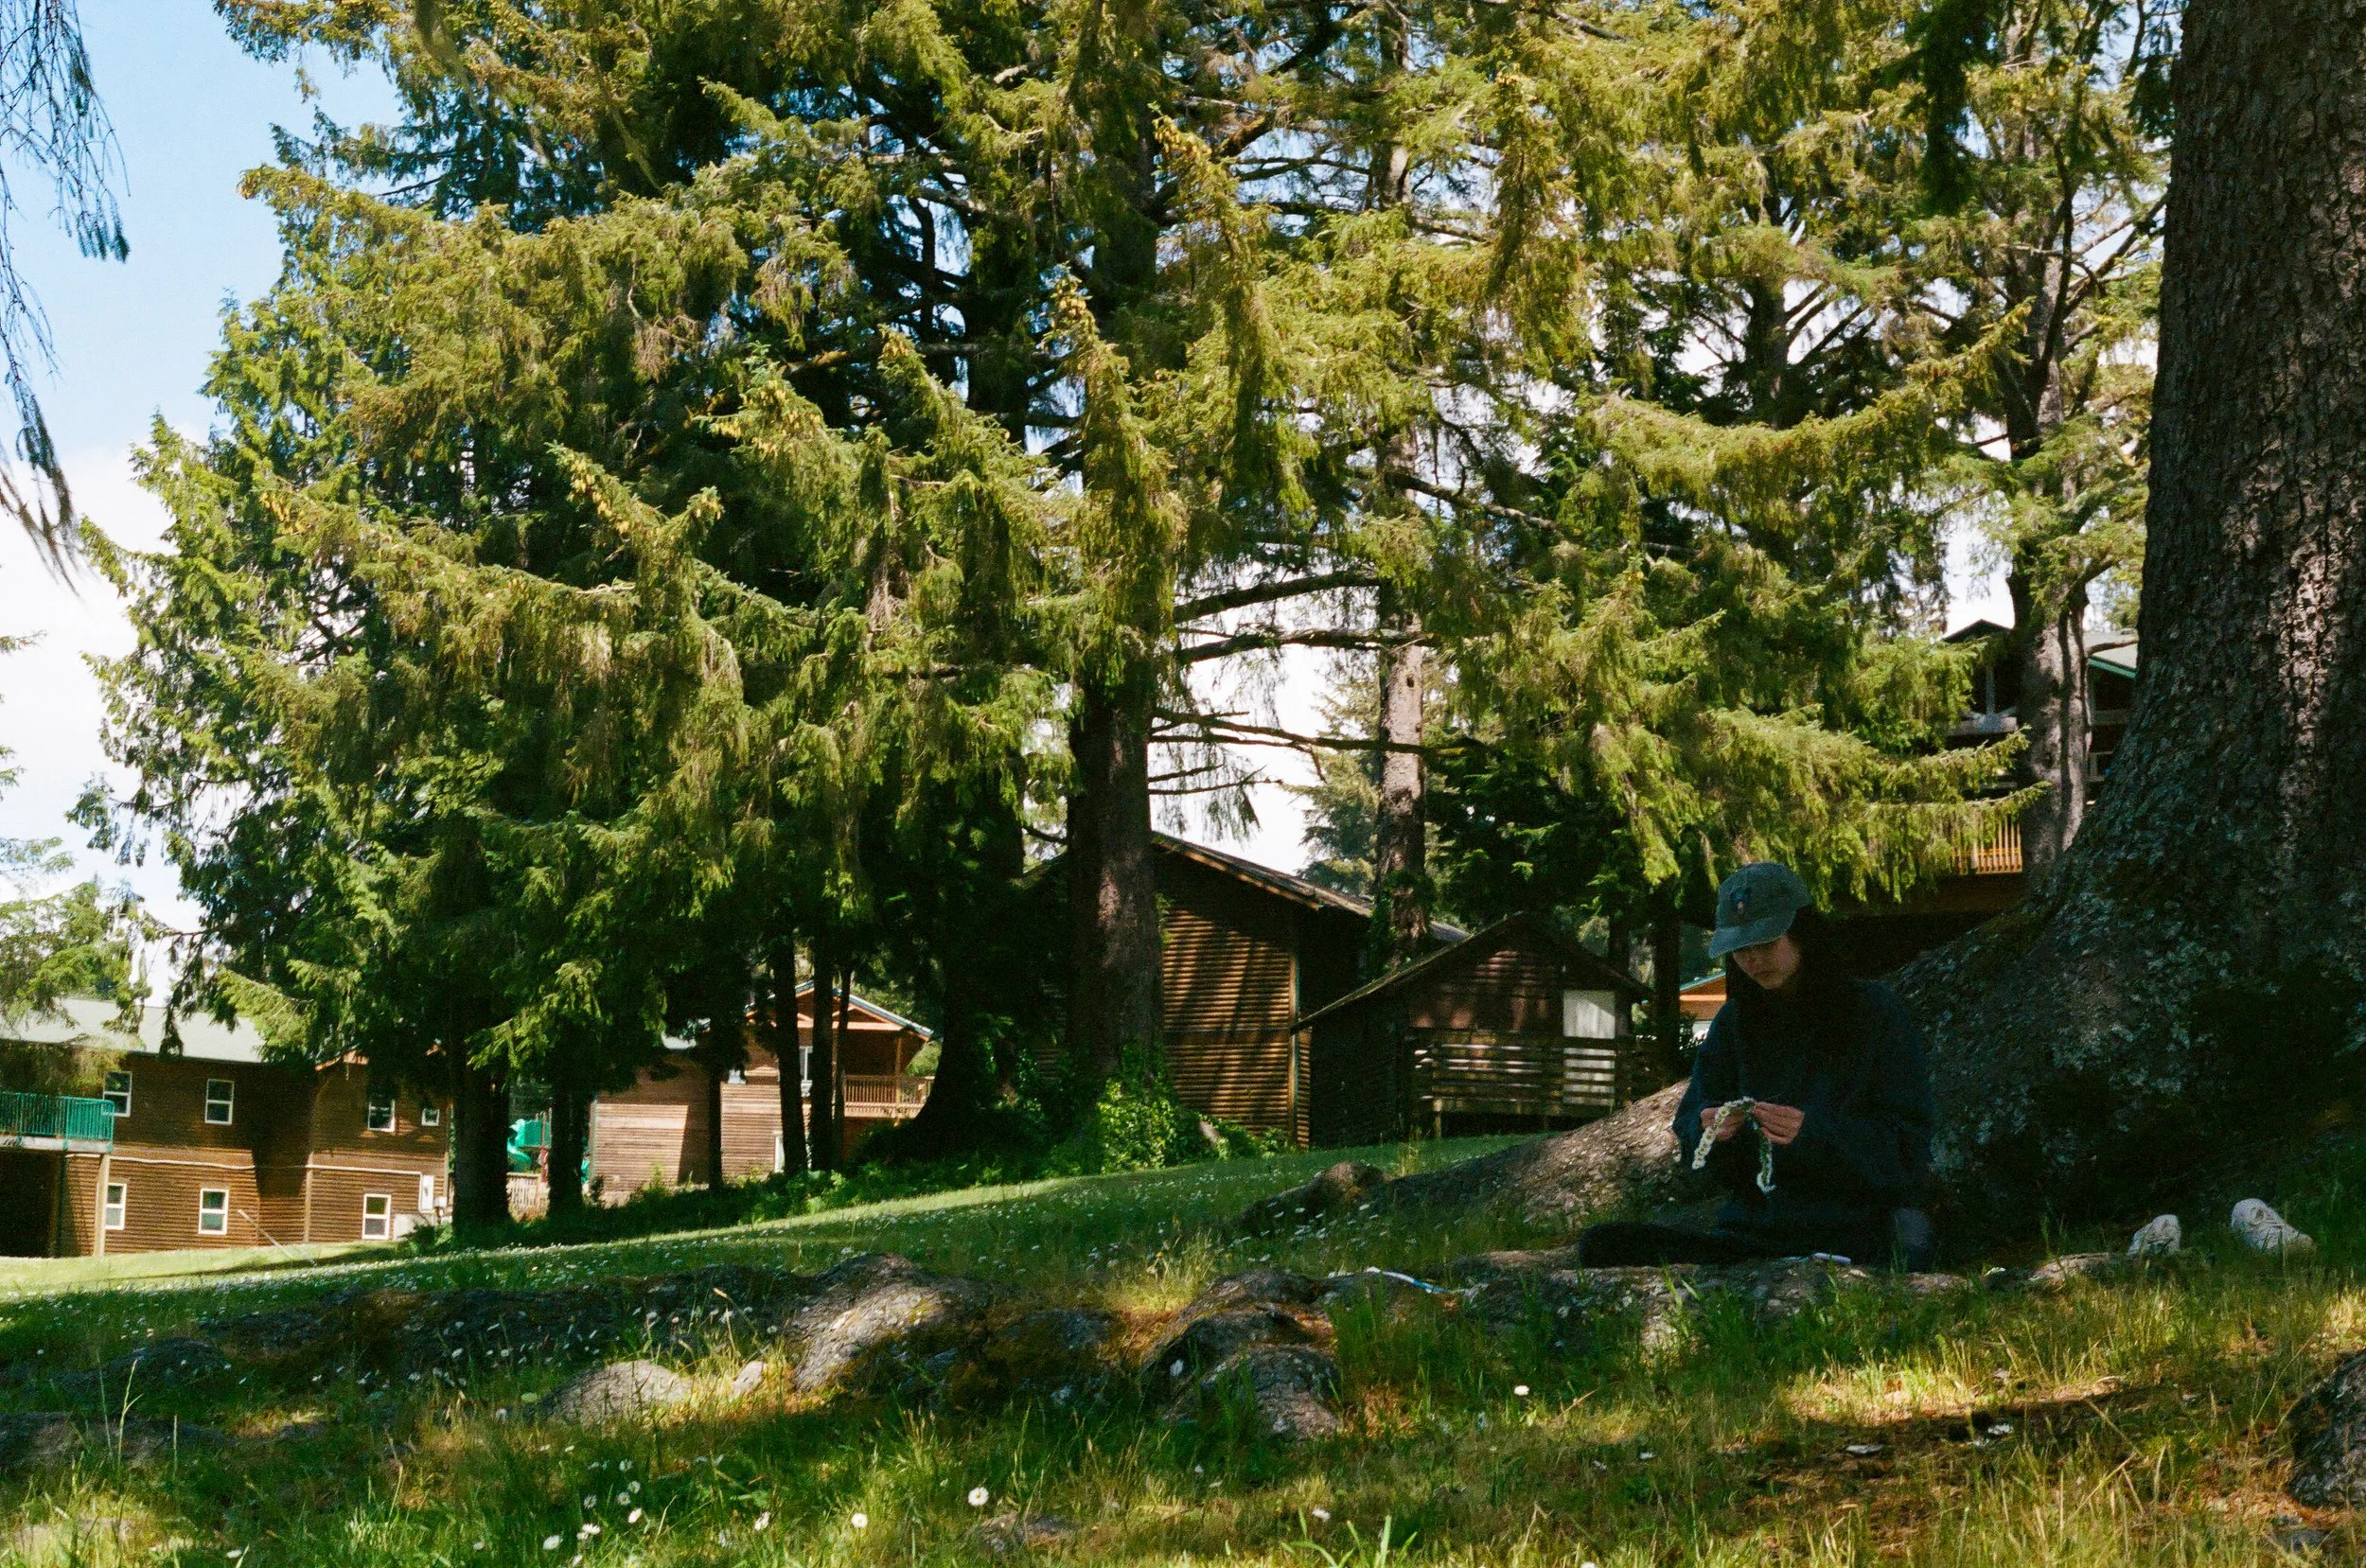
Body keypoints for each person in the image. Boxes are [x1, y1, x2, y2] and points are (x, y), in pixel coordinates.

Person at [1578, 861, 1937, 1271]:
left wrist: (1812, 1135)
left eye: (1766, 943)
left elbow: (1907, 1151)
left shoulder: (1876, 1013)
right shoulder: (1734, 1022)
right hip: (1757, 1229)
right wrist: (1711, 1130)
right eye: (1741, 948)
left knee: (1911, 1237)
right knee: (1602, 1245)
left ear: (1804, 934)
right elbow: (1691, 1131)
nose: (1752, 960)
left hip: (1855, 1222)